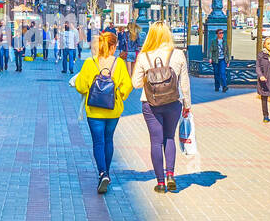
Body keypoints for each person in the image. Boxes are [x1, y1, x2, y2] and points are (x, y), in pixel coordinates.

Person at [131, 20, 191, 194]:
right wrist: (187, 104)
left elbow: (135, 83)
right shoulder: (178, 54)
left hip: (151, 104)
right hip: (173, 102)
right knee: (169, 138)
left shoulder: (144, 56)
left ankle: (161, 183)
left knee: (156, 142)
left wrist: (150, 77)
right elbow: (185, 84)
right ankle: (171, 174)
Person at [72, 30, 133, 195]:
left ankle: (102, 173)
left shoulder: (90, 63)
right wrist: (119, 95)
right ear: (112, 47)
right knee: (108, 140)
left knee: (98, 142)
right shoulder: (119, 63)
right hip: (113, 110)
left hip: (94, 111)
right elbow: (127, 86)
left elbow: (81, 86)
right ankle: (106, 171)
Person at [208, 28, 230, 92]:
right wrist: (210, 58)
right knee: (216, 74)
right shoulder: (213, 41)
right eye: (220, 33)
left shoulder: (225, 42)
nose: (222, 34)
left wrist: (228, 61)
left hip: (223, 60)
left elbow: (227, 52)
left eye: (222, 33)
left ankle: (224, 86)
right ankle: (217, 87)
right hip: (215, 60)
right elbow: (211, 50)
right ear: (217, 34)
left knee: (223, 73)